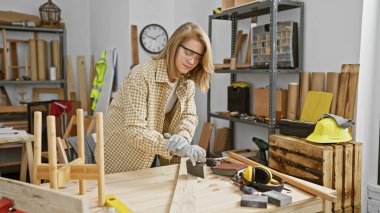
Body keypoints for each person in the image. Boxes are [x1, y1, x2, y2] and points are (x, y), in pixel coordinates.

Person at [104, 22, 214, 174]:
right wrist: (172, 146)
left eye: (197, 57)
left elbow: (189, 116)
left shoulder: (186, 83)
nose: (192, 61)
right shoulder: (141, 75)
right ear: (174, 45)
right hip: (121, 159)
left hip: (152, 157)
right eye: (188, 52)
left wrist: (182, 138)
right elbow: (135, 131)